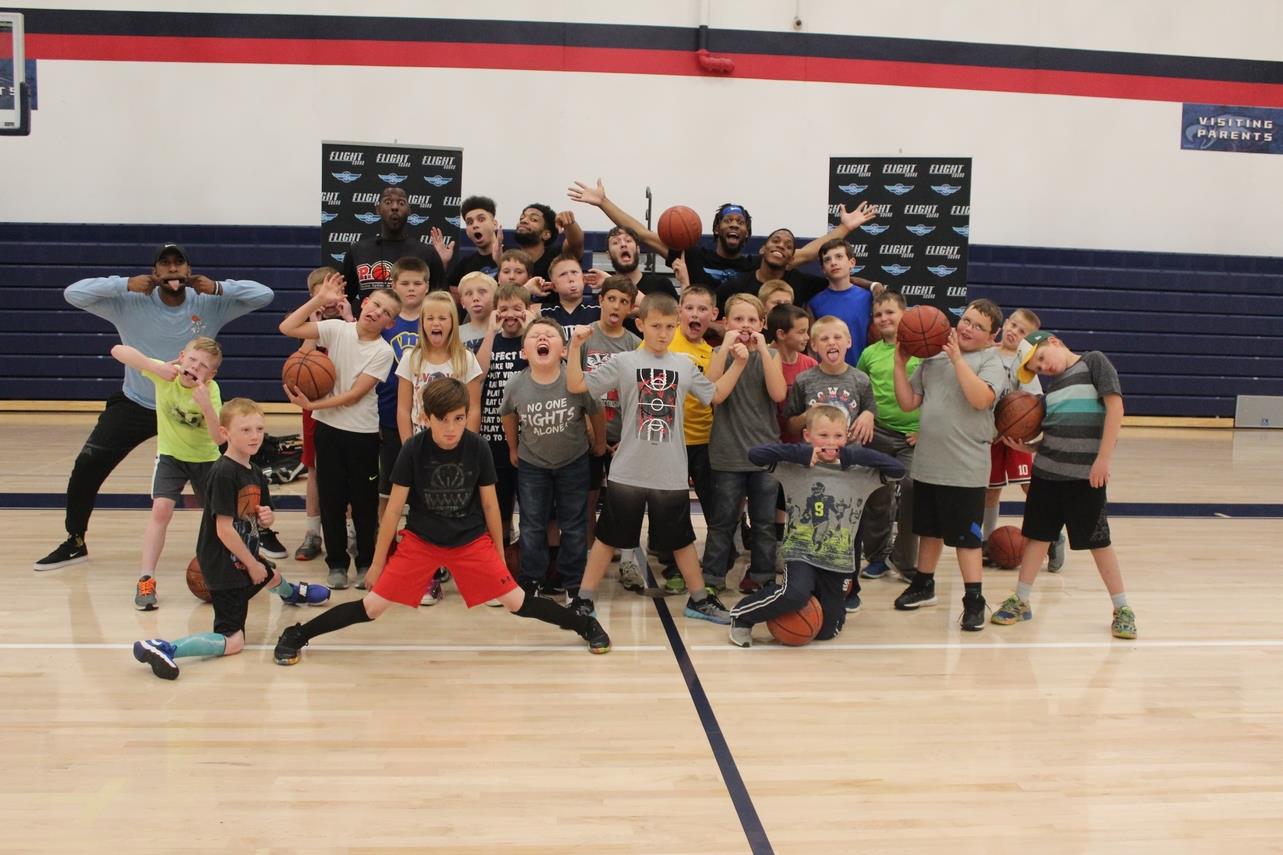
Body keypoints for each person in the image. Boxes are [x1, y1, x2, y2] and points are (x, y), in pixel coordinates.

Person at [272, 378, 611, 664]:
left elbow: (491, 506)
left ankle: (583, 626)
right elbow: (392, 511)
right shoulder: (414, 449)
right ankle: (298, 633)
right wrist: (376, 563)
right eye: (443, 420)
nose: (452, 429)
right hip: (421, 541)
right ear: (426, 417)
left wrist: (496, 551)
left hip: (470, 541)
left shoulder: (476, 447)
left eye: (459, 419)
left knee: (516, 601)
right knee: (373, 607)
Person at [35, 243, 274, 572]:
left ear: (188, 273)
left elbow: (264, 295)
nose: (173, 269)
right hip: (137, 402)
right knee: (88, 465)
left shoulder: (209, 302)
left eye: (179, 263)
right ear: (155, 272)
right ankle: (75, 540)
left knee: (244, 464)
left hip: (192, 406)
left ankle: (263, 531)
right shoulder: (129, 300)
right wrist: (123, 284)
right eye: (165, 264)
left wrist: (218, 287)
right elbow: (73, 293)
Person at [566, 293, 750, 630]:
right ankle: (583, 598)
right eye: (655, 326)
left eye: (669, 326)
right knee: (607, 539)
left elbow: (716, 394)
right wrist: (575, 346)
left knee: (681, 541)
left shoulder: (682, 363)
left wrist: (738, 363)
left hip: (671, 472)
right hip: (628, 470)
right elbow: (577, 384)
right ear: (641, 325)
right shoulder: (623, 362)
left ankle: (698, 600)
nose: (663, 333)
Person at [132, 398, 330, 681]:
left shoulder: (255, 472)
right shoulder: (223, 473)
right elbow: (224, 529)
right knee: (233, 640)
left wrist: (266, 517)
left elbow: (261, 513)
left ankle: (292, 594)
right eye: (245, 430)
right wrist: (251, 564)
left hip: (241, 552)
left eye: (259, 428)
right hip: (224, 563)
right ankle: (165, 647)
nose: (254, 436)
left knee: (269, 575)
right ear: (225, 434)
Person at [991, 331, 1135, 639]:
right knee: (1037, 538)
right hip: (1045, 476)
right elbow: (1052, 435)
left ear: (1054, 341)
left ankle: (1121, 607)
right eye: (1038, 369)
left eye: (1042, 359)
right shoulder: (1050, 392)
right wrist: (1028, 447)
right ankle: (1022, 599)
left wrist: (1103, 459)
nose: (1044, 368)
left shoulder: (1094, 362)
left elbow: (1116, 409)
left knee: (1099, 542)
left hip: (1085, 477)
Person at [728, 405, 905, 647]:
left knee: (825, 632)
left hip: (838, 560)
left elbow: (898, 470)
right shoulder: (795, 468)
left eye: (838, 436)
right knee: (794, 594)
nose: (831, 442)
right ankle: (742, 616)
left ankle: (801, 602)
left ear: (847, 437)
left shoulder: (860, 472)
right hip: (801, 552)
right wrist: (799, 453)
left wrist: (852, 454)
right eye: (823, 435)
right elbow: (756, 455)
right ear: (807, 436)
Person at [891, 299, 1008, 631]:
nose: (968, 328)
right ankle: (924, 584)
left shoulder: (991, 361)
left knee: (967, 539)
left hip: (966, 467)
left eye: (978, 326)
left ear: (992, 336)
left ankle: (974, 601)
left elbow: (981, 399)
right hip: (929, 462)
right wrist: (900, 364)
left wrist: (957, 359)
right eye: (966, 320)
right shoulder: (932, 359)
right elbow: (907, 403)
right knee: (929, 531)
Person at [280, 272, 398, 592]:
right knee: (331, 500)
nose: (377, 311)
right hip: (328, 430)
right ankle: (335, 564)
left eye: (386, 312)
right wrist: (320, 300)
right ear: (364, 303)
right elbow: (287, 328)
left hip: (362, 434)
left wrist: (315, 403)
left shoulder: (384, 352)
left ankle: (364, 563)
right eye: (375, 303)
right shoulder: (336, 329)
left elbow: (358, 394)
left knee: (362, 501)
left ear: (389, 324)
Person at [566, 177, 875, 296]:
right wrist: (603, 202)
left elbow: (808, 254)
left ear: (749, 234)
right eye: (728, 220)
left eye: (740, 222)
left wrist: (845, 227)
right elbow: (644, 235)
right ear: (716, 228)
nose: (734, 226)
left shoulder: (759, 263)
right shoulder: (692, 254)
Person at [111, 337, 222, 610]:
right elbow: (118, 350)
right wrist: (153, 366)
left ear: (211, 375)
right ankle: (145, 579)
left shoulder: (212, 391)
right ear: (182, 357)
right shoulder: (165, 374)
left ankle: (235, 567)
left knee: (219, 518)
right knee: (161, 510)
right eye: (192, 360)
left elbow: (219, 438)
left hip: (206, 460)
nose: (195, 367)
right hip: (171, 456)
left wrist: (207, 406)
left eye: (203, 366)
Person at [501, 318, 606, 598]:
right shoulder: (515, 385)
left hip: (574, 463)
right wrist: (513, 449)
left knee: (573, 524)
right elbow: (508, 416)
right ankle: (531, 580)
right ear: (524, 351)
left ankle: (573, 582)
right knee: (532, 524)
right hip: (532, 466)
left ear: (563, 350)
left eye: (549, 335)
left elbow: (595, 411)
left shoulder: (575, 380)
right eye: (535, 335)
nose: (542, 338)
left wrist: (600, 441)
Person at [394, 290, 484, 604]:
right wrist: (409, 448)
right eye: (430, 317)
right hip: (422, 451)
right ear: (422, 322)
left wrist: (467, 446)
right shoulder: (412, 358)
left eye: (442, 317)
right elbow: (403, 409)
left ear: (452, 323)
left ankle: (468, 572)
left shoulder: (465, 358)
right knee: (423, 513)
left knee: (460, 509)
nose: (436, 322)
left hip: (457, 448)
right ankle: (429, 577)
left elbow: (473, 408)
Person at [702, 294, 787, 593]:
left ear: (763, 324)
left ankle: (763, 577)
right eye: (738, 319)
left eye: (752, 320)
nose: (745, 325)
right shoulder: (718, 353)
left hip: (764, 454)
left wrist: (763, 351)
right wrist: (726, 346)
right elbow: (710, 392)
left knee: (764, 523)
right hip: (727, 452)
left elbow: (778, 395)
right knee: (723, 521)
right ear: (725, 323)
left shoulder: (772, 356)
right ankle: (712, 579)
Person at [650, 284, 720, 593]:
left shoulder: (711, 353)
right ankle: (671, 564)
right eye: (689, 307)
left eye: (702, 309)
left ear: (713, 316)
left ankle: (715, 565)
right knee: (669, 508)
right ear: (679, 312)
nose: (695, 314)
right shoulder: (665, 340)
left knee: (713, 504)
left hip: (704, 440)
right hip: (667, 442)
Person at [982, 307, 1064, 569]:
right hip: (991, 436)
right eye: (1013, 325)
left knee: (1031, 489)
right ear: (1005, 323)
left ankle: (1051, 537)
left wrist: (1019, 430)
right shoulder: (986, 354)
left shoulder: (1026, 361)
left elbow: (1031, 406)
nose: (1014, 332)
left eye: (1022, 331)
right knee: (990, 491)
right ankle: (987, 541)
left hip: (1016, 437)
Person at [856, 291, 922, 581]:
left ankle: (905, 561)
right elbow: (860, 391)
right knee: (878, 497)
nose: (883, 318)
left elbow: (936, 392)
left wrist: (924, 429)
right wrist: (864, 416)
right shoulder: (869, 354)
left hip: (913, 437)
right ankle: (878, 556)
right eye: (878, 314)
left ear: (904, 314)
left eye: (889, 312)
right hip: (879, 435)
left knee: (911, 493)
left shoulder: (922, 349)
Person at [293, 267, 356, 562]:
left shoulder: (354, 324)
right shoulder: (310, 329)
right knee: (315, 469)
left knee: (352, 473)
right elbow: (300, 367)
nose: (329, 299)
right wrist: (314, 325)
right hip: (316, 410)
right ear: (312, 297)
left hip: (350, 408)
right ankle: (312, 532)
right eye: (322, 293)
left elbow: (363, 353)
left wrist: (350, 320)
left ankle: (352, 531)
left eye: (334, 292)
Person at [580, 276, 641, 561]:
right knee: (589, 497)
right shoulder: (584, 338)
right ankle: (592, 551)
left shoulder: (635, 344)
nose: (617, 306)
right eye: (612, 299)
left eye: (624, 302)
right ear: (600, 300)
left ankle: (625, 555)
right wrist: (590, 430)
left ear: (630, 308)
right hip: (588, 432)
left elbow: (640, 397)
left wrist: (628, 437)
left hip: (621, 435)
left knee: (622, 500)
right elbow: (573, 387)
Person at [471, 283, 534, 547]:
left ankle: (527, 558)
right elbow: (478, 373)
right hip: (492, 436)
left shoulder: (532, 340)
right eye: (504, 309)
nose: (510, 315)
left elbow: (545, 363)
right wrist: (489, 331)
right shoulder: (490, 340)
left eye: (517, 309)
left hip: (529, 435)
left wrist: (532, 327)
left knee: (531, 506)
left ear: (528, 311)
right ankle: (501, 552)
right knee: (498, 503)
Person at [376, 258, 429, 521]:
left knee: (422, 483)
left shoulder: (433, 321)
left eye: (417, 283)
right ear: (393, 285)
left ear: (427, 287)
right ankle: (385, 542)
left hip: (424, 418)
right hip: (387, 414)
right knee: (388, 485)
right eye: (404, 283)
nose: (411, 288)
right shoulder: (385, 323)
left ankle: (417, 536)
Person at [342, 186, 445, 313]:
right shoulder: (358, 250)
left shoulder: (427, 253)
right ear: (378, 209)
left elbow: (442, 302)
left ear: (409, 210)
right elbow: (342, 299)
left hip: (413, 330)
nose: (395, 207)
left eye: (401, 203)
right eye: (388, 202)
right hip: (370, 328)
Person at [807, 240, 874, 365]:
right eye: (827, 260)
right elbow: (812, 347)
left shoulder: (869, 298)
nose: (833, 263)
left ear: (852, 262)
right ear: (823, 269)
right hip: (826, 376)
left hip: (862, 373)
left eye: (839, 256)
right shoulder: (814, 303)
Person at [435, 195, 502, 291]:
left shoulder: (513, 254)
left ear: (494, 224)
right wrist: (442, 263)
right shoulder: (465, 264)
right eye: (469, 222)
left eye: (481, 219)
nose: (475, 225)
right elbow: (447, 295)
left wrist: (501, 263)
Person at [514, 203, 584, 281]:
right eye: (522, 218)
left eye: (534, 219)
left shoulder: (558, 258)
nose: (524, 221)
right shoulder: (509, 257)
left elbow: (576, 244)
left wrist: (569, 223)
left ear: (546, 234)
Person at [539, 255, 600, 339]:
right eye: (563, 274)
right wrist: (527, 289)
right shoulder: (541, 311)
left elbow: (624, 307)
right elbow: (516, 310)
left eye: (574, 272)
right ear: (553, 286)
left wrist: (608, 281)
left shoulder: (599, 307)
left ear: (583, 278)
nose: (571, 278)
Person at [457, 271, 497, 349]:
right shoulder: (455, 335)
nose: (475, 298)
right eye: (469, 293)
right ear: (462, 302)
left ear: (495, 298)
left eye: (482, 292)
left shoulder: (506, 330)